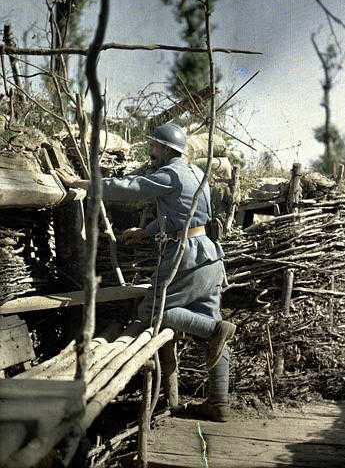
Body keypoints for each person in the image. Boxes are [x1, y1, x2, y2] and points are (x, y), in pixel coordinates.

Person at [57, 122, 236, 422]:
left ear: (166, 149)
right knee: (211, 326)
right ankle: (220, 404)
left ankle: (216, 330)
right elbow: (185, 215)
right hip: (211, 258)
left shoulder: (170, 174)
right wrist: (146, 230)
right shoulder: (196, 174)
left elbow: (132, 187)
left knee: (153, 312)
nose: (151, 151)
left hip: (187, 259)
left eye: (154, 146)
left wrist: (85, 185)